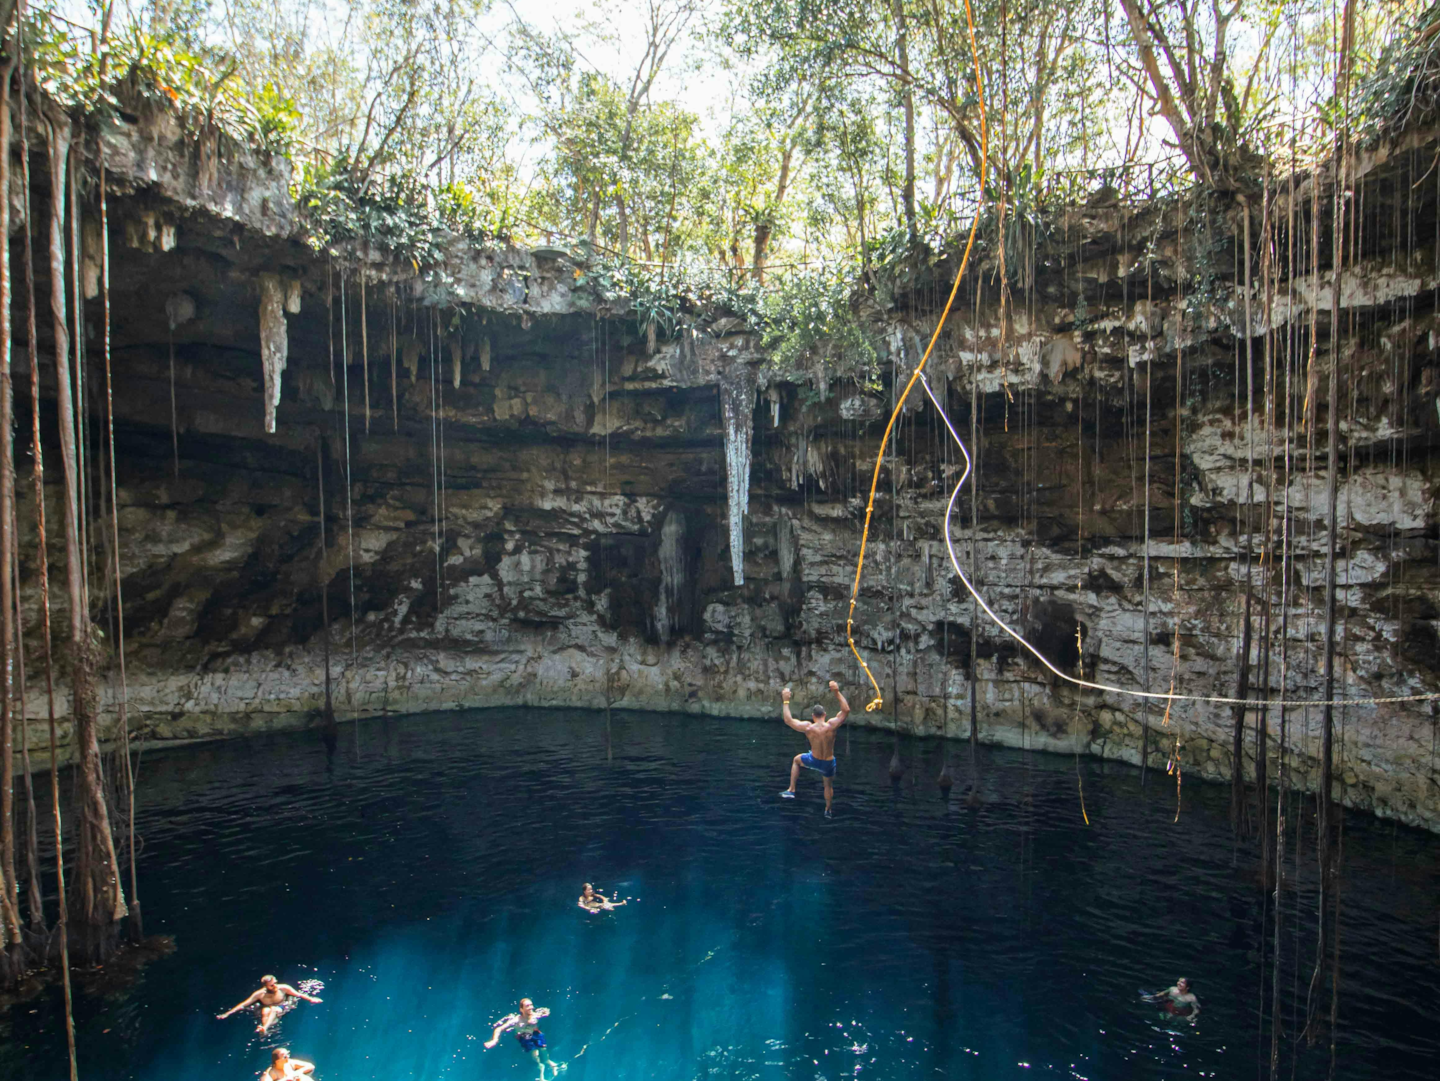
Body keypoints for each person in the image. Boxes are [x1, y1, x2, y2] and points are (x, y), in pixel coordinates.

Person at [778, 680, 849, 817]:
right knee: (828, 786)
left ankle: (792, 790)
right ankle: (828, 809)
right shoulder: (832, 725)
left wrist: (786, 701)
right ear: (825, 714)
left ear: (813, 716)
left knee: (796, 760)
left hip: (814, 760)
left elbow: (788, 720)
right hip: (828, 763)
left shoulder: (808, 727)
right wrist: (836, 692)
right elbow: (846, 710)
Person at [484, 998, 564, 1079]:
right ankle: (541, 1076)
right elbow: (499, 1029)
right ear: (521, 1009)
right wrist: (494, 1040)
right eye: (527, 1006)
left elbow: (547, 1011)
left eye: (531, 1005)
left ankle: (549, 1063)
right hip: (524, 1036)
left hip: (535, 1032)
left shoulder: (535, 1015)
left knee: (543, 1049)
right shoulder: (516, 1020)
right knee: (535, 1054)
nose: (531, 1007)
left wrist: (546, 1012)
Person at [216, 974, 322, 1033]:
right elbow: (244, 1004)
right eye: (271, 985)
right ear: (265, 986)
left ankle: (264, 1028)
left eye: (275, 983)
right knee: (265, 1010)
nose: (275, 986)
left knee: (274, 1010)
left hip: (282, 1005)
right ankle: (264, 1027)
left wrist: (311, 999)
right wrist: (227, 1013)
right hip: (268, 1007)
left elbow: (298, 994)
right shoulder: (259, 994)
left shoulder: (283, 988)